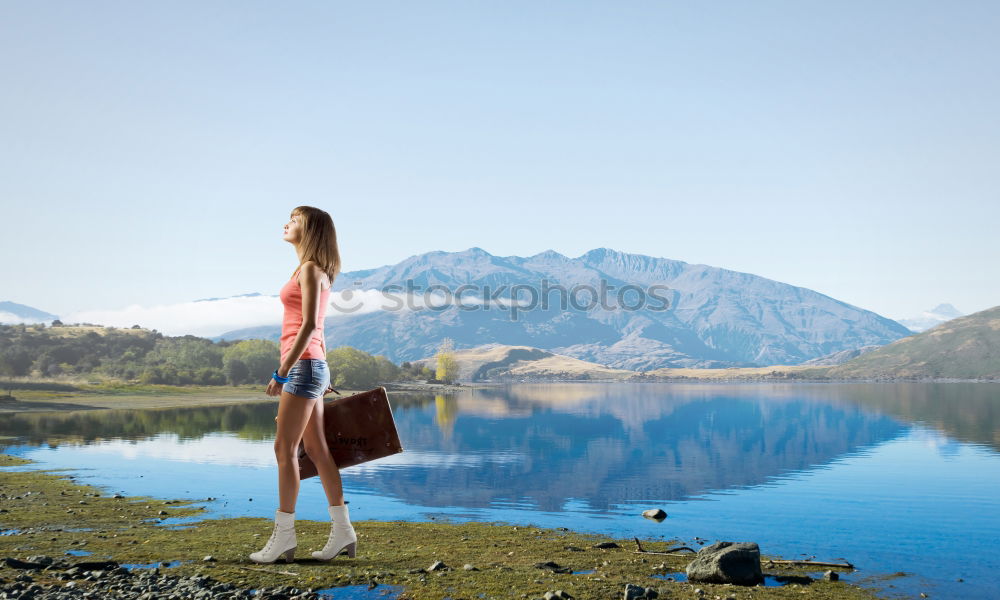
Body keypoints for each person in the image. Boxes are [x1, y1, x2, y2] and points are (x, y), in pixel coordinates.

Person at [249, 206, 358, 564]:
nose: (286, 223)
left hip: (302, 368)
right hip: (313, 367)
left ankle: (283, 539)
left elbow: (310, 325)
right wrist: (322, 373)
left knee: (285, 449)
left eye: (294, 220)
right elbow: (320, 329)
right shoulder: (310, 269)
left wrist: (283, 371)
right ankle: (343, 533)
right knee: (317, 450)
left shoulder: (311, 269)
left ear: (310, 230)